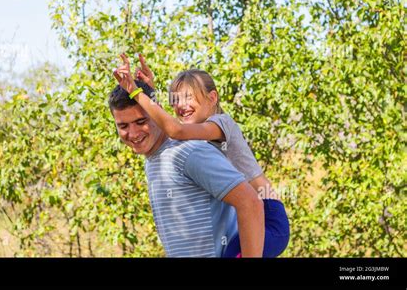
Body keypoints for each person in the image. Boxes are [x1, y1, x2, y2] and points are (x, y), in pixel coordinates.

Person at [113, 53, 290, 257]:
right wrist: (150, 90)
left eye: (188, 98)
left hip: (269, 213)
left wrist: (136, 92)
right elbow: (165, 125)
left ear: (212, 97)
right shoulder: (196, 133)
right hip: (260, 209)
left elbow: (175, 130)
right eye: (176, 101)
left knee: (232, 252)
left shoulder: (221, 124)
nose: (180, 106)